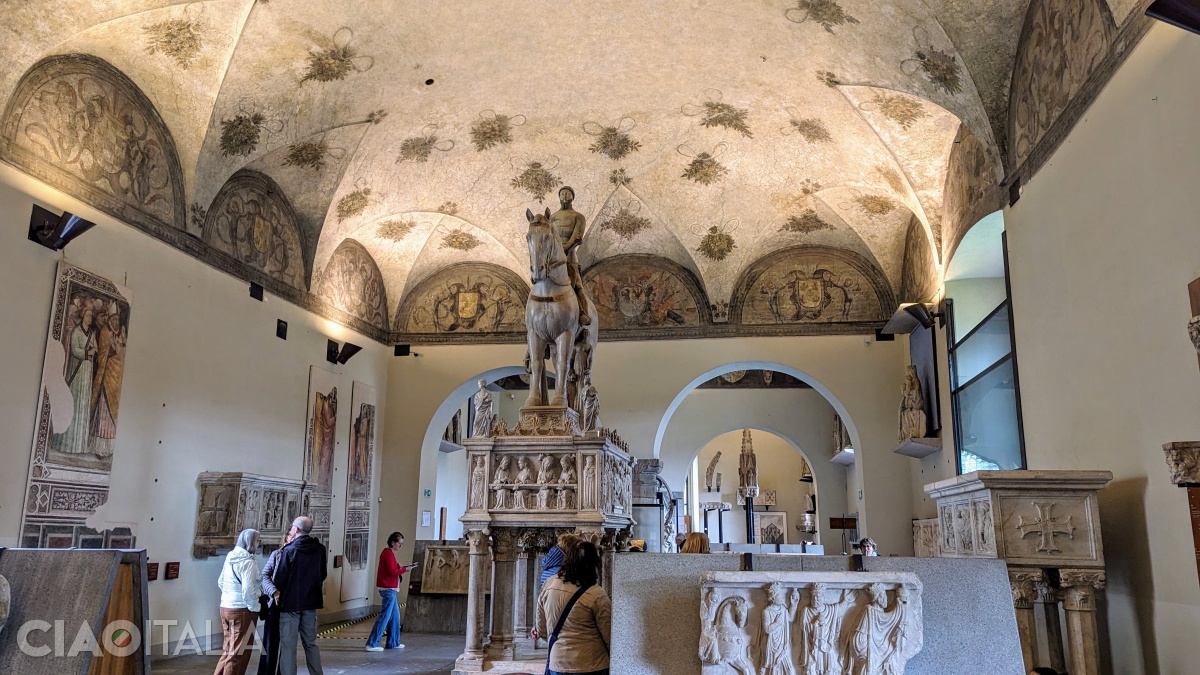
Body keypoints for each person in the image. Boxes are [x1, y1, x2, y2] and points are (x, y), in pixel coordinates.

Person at [536, 538, 611, 675]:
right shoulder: (596, 594)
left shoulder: (549, 584)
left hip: (557, 663)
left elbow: (541, 628)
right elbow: (609, 635)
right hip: (591, 664)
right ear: (593, 565)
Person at [274, 517, 327, 675]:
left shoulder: (290, 550)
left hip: (290, 604)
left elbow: (280, 579)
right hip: (311, 602)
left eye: (291, 528)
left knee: (288, 647)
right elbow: (322, 574)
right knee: (311, 644)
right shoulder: (320, 549)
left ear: (296, 530)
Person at [214, 528, 261, 675]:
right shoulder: (248, 562)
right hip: (242, 610)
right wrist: (256, 606)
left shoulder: (230, 557)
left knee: (228, 651)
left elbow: (221, 581)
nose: (259, 544)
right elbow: (248, 591)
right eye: (258, 541)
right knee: (239, 654)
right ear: (251, 542)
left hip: (225, 607)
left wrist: (229, 597)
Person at [365, 532, 416, 651]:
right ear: (393, 543)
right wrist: (405, 570)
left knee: (395, 617)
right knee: (384, 616)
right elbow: (391, 572)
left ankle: (393, 642)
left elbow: (392, 568)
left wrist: (400, 567)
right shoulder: (388, 554)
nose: (400, 546)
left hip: (391, 589)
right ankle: (372, 643)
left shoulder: (389, 553)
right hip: (388, 589)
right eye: (399, 543)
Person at [548, 186, 590, 325]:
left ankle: (584, 313)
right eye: (562, 194)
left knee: (577, 286)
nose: (564, 196)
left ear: (572, 196)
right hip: (553, 256)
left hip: (569, 256)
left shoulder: (578, 216)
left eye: (567, 193)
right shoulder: (552, 217)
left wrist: (565, 249)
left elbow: (578, 236)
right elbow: (549, 236)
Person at [258, 531, 294, 675]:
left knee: (288, 644)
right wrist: (274, 591)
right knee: (270, 642)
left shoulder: (300, 557)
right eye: (290, 536)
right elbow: (265, 575)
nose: (292, 539)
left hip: (292, 605)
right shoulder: (277, 554)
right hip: (275, 604)